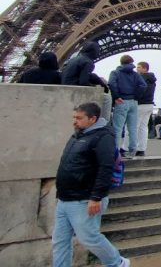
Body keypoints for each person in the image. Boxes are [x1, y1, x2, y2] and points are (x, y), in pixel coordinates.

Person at [52, 103, 130, 267]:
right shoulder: (77, 135)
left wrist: (96, 197)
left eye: (79, 118)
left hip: (84, 199)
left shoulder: (103, 137)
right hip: (64, 199)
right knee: (59, 241)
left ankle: (117, 263)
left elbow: (106, 168)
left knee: (89, 238)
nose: (75, 121)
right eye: (74, 117)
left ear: (92, 119)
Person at [108, 55, 147, 157]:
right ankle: (132, 150)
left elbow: (111, 84)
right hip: (133, 102)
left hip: (121, 101)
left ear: (121, 62)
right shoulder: (135, 74)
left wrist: (116, 96)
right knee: (132, 128)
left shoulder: (115, 73)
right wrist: (136, 96)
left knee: (118, 128)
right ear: (131, 62)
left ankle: (115, 152)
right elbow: (143, 85)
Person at [135, 61, 156, 157]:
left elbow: (140, 90)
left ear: (145, 68)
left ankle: (131, 147)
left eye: (139, 67)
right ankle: (142, 149)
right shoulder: (152, 79)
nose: (137, 69)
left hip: (141, 104)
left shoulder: (141, 78)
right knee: (143, 127)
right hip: (149, 104)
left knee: (135, 126)